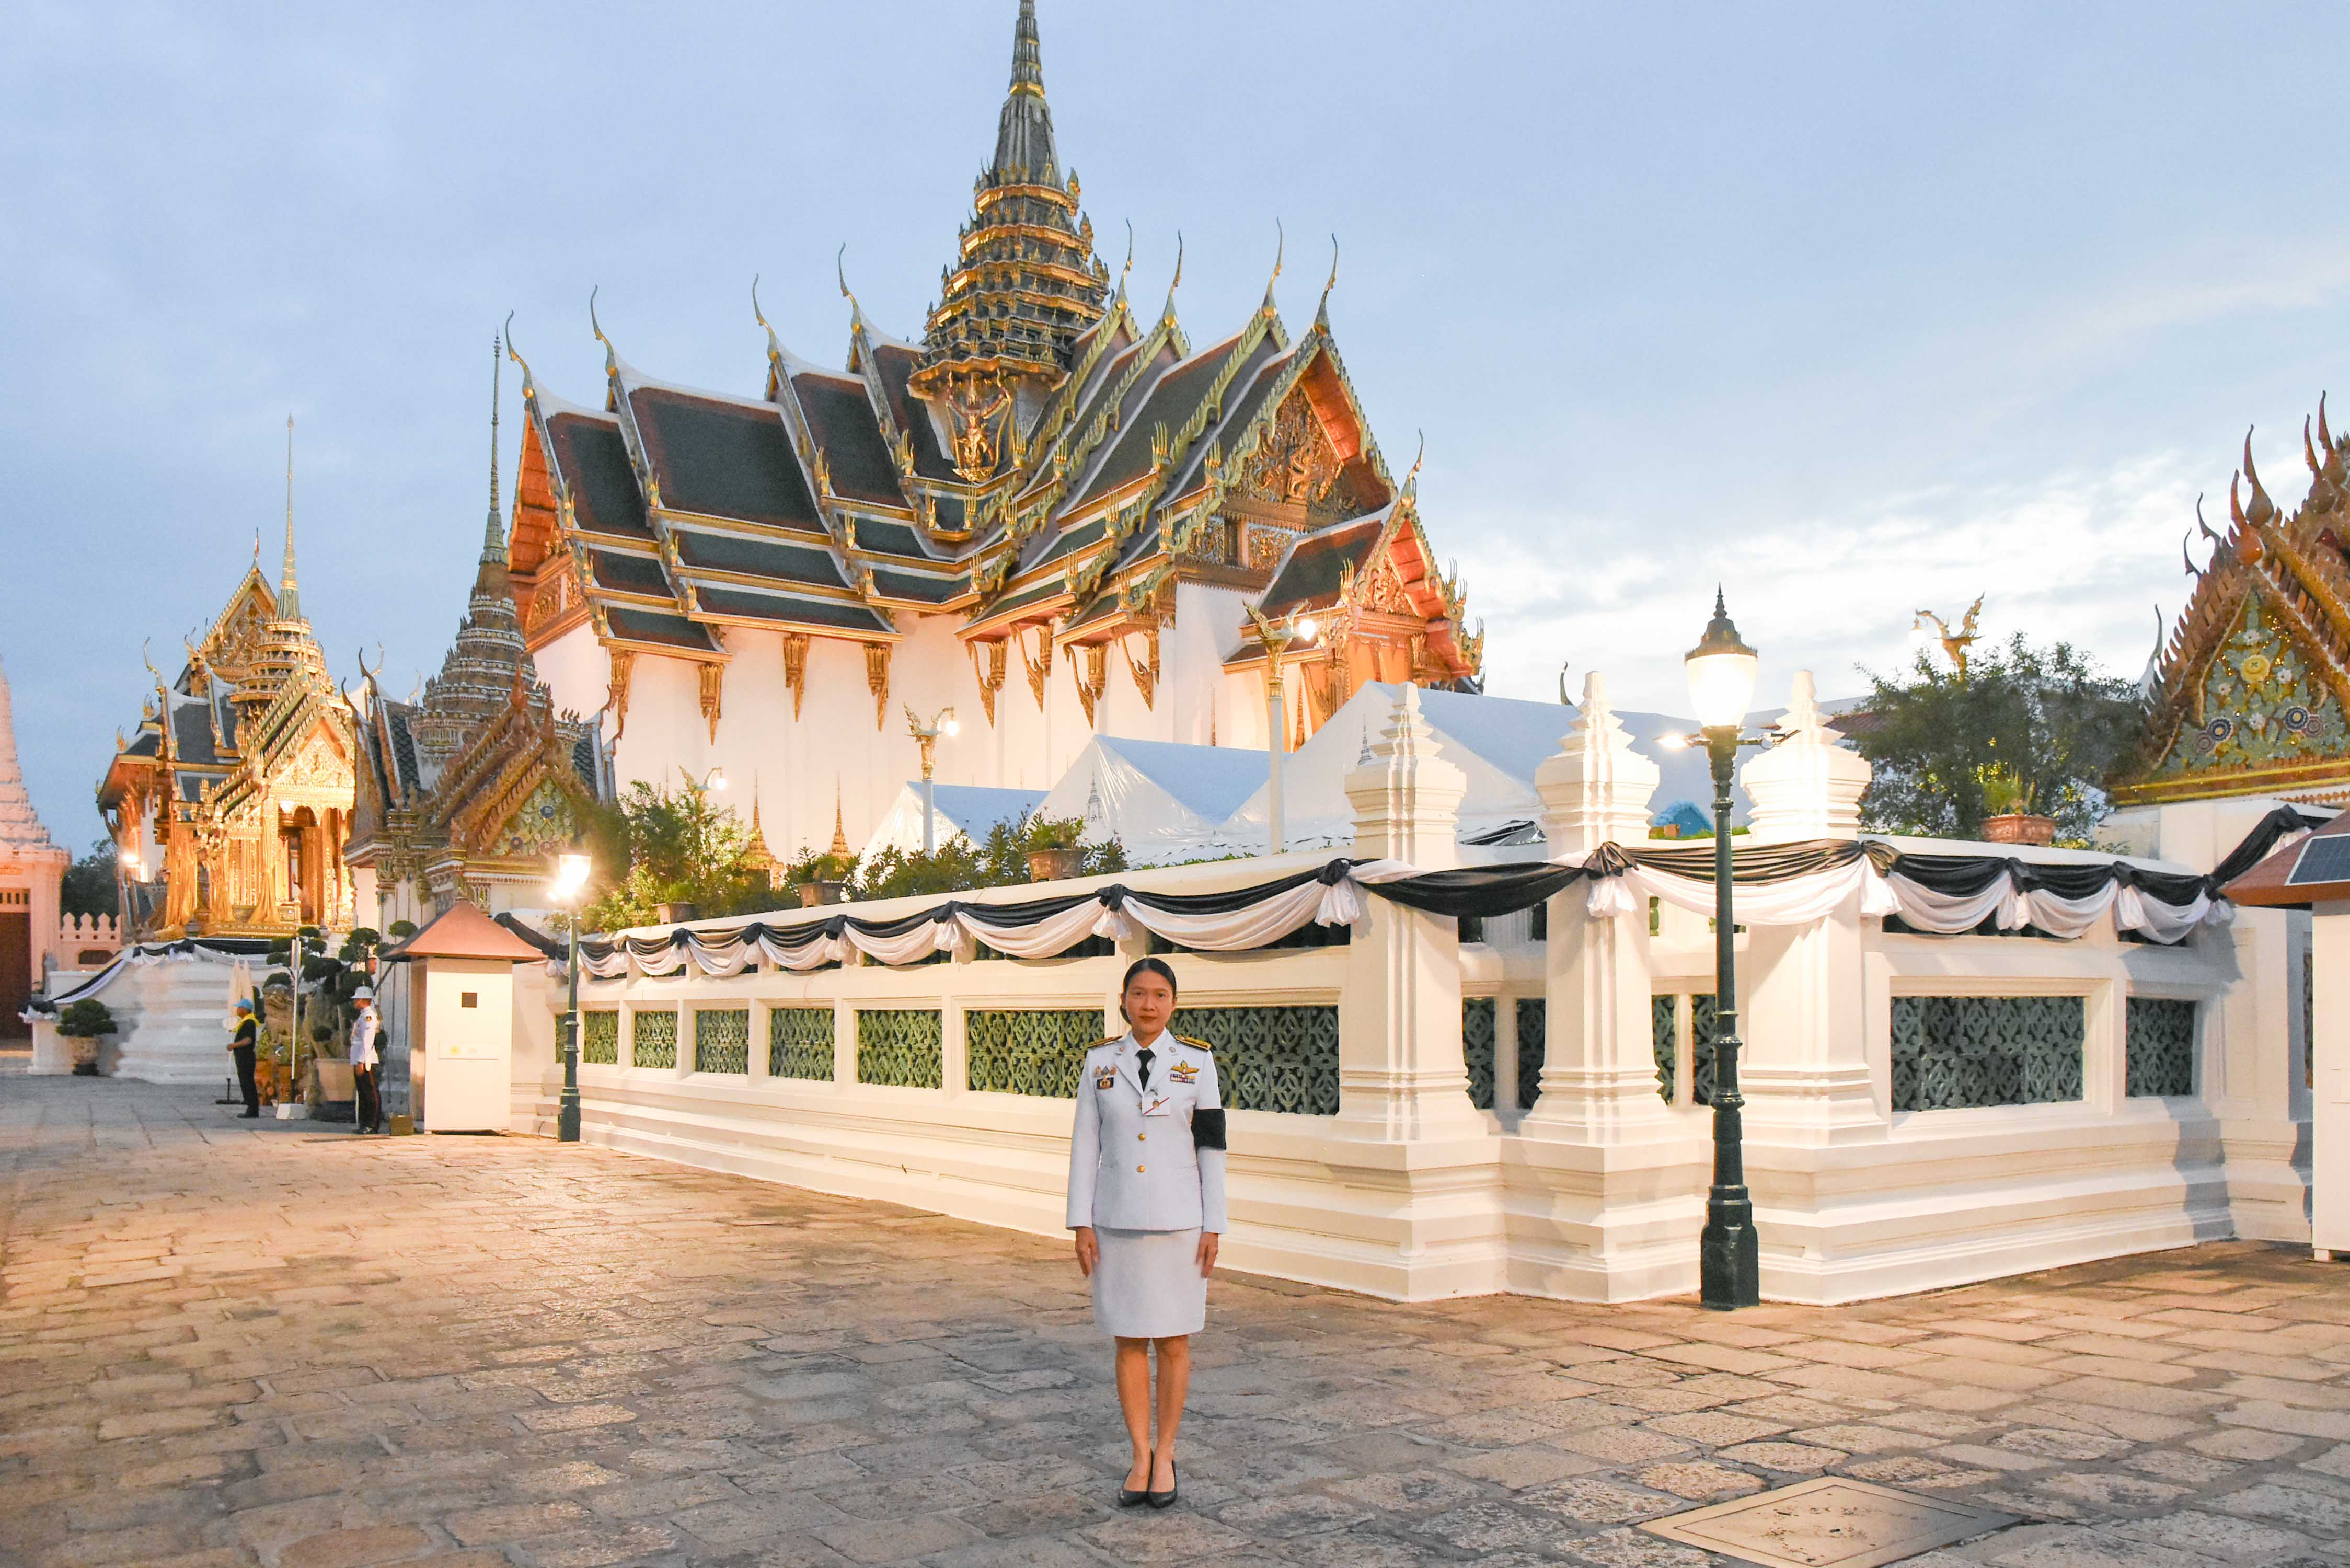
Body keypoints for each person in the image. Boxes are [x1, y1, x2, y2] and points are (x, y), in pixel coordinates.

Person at [1067, 956, 1226, 1511]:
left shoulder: (1197, 1063)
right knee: (1129, 1339)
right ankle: (1140, 1455)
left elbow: (1212, 1147)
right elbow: (1085, 1143)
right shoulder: (1099, 1062)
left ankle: (1167, 1453)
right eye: (1139, 994)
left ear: (1173, 1003)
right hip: (1116, 1221)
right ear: (1123, 1000)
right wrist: (1081, 1221)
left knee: (1174, 1341)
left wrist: (1214, 1224)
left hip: (1180, 1223)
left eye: (1160, 995)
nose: (1149, 1004)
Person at [349, 987, 382, 1134]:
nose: (355, 1001)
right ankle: (365, 1123)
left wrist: (361, 1061)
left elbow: (368, 1041)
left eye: (357, 999)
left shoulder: (369, 1017)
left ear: (364, 1000)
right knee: (363, 1093)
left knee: (370, 1093)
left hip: (367, 1061)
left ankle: (372, 1124)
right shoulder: (363, 1016)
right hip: (360, 1059)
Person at [228, 998, 260, 1118]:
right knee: (246, 1082)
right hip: (243, 1058)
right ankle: (251, 1106)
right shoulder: (246, 1022)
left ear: (245, 1010)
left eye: (239, 1008)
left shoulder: (249, 1023)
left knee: (247, 1083)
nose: (237, 1010)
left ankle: (252, 1109)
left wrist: (234, 1045)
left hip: (246, 1058)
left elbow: (248, 1040)